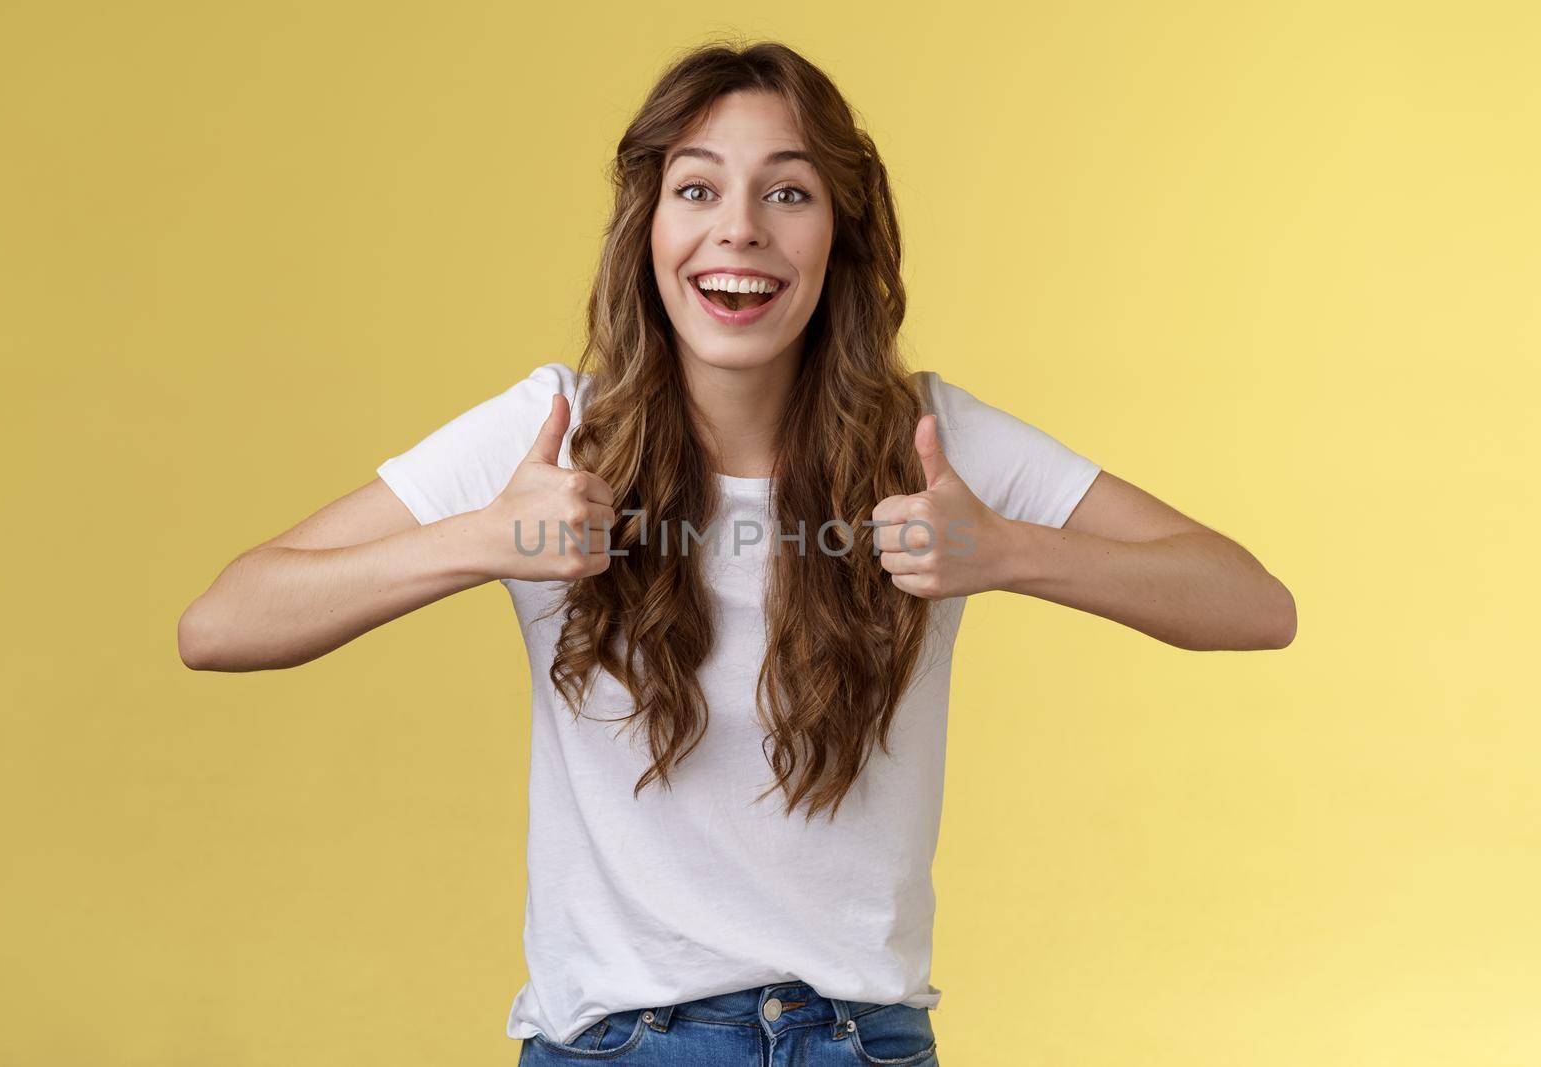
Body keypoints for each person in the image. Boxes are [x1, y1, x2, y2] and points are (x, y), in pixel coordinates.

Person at [178, 39, 1297, 1067]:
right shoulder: (556, 434)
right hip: (616, 1043)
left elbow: (1251, 602)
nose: (740, 229)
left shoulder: (930, 439)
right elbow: (222, 623)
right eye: (698, 188)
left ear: (839, 235)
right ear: (649, 227)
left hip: (862, 1042)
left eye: (789, 192)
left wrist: (1010, 550)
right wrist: (480, 539)